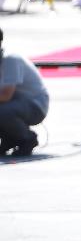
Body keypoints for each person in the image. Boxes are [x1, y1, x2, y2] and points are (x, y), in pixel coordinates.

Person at [0, 28, 49, 157]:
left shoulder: (10, 60)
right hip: (14, 104)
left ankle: (27, 138)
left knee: (2, 112)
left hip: (34, 105)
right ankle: (10, 138)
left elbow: (5, 96)